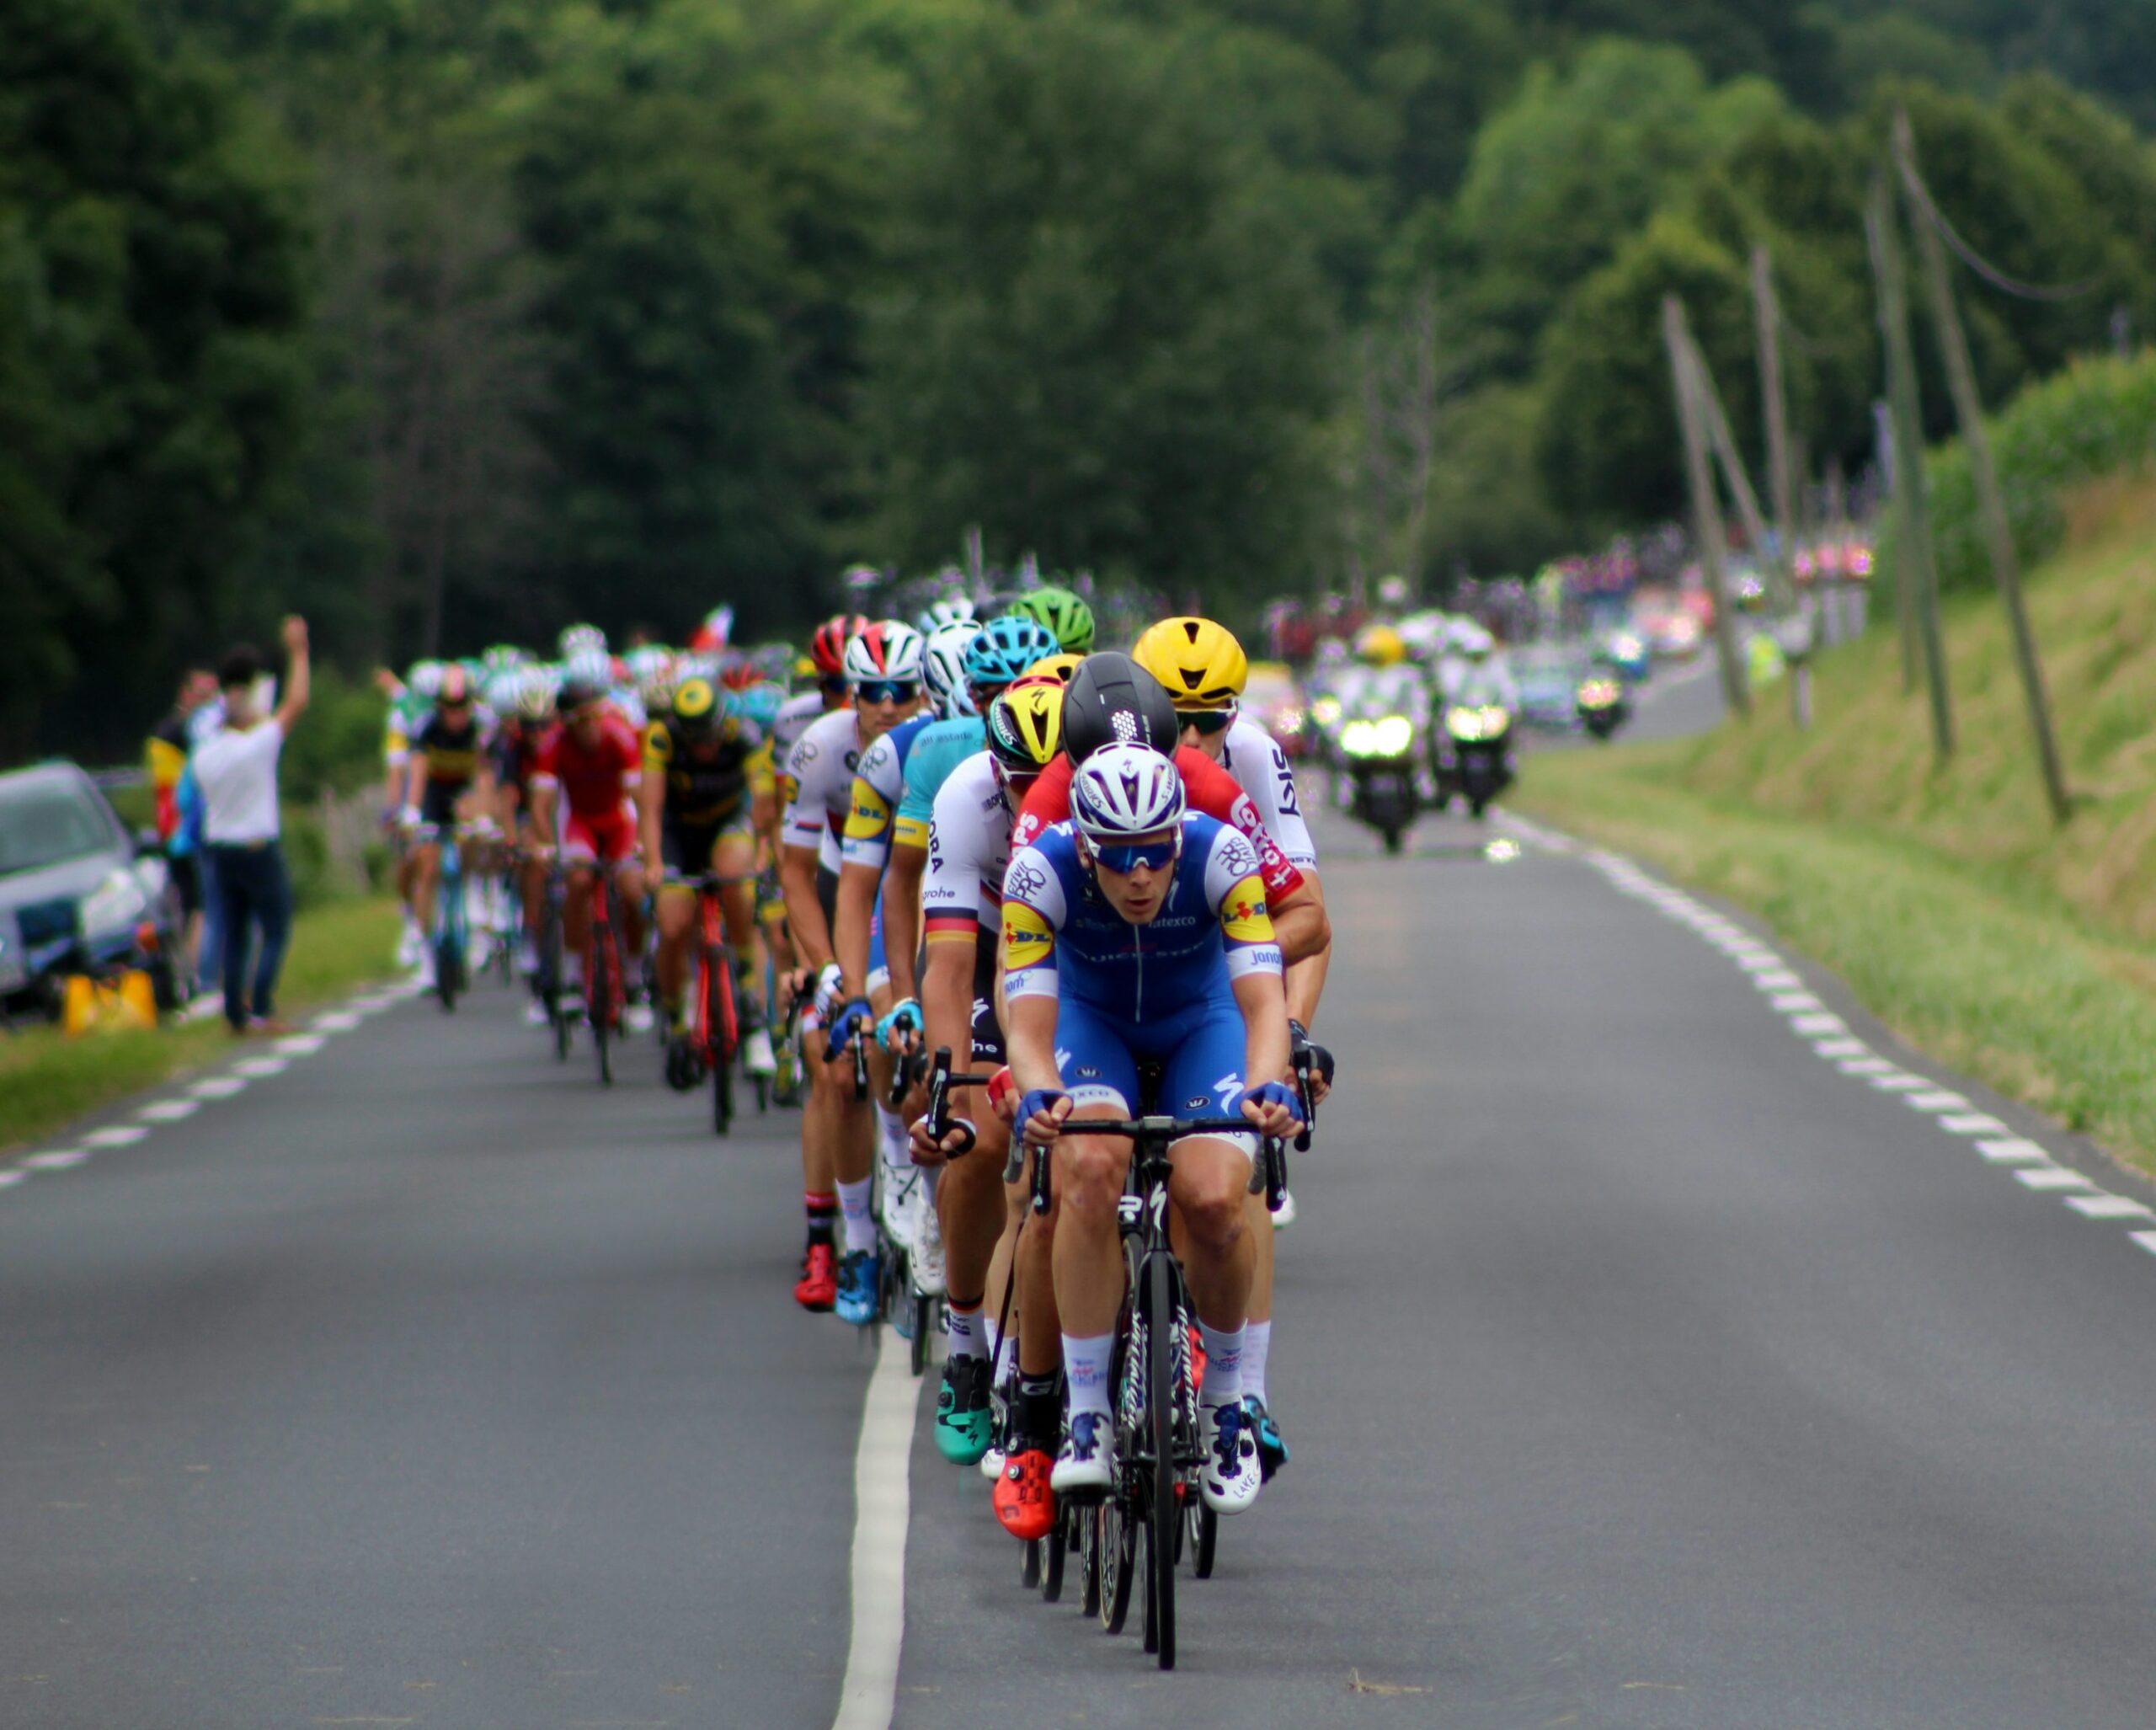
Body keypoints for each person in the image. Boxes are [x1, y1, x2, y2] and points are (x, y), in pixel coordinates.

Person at [1002, 742, 1301, 1521]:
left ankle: (1230, 1397)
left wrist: (1270, 1083)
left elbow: (1264, 1003)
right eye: (1120, 858)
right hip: (1090, 1021)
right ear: (1087, 844)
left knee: (1211, 1202)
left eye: (1154, 854)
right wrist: (1038, 1094)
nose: (1140, 876)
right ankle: (1088, 1417)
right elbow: (1028, 1029)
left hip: (1202, 1021)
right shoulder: (1040, 870)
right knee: (1091, 1172)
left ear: (1178, 834)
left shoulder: (1221, 853)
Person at [1133, 616, 1334, 1479]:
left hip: (1225, 968)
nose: (1194, 736)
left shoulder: (1251, 758)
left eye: (1211, 715)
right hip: (1122, 979)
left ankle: (1242, 1389)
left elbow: (1312, 922)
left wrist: (1284, 1032)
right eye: (1176, 716)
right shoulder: (1112, 767)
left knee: (1238, 1161)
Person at [778, 620, 926, 1317]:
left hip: (917, 902)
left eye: (904, 691)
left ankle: (915, 1173)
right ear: (849, 694)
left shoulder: (937, 745)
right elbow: (797, 875)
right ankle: (859, 1246)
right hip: (845, 898)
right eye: (872, 692)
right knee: (837, 1066)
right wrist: (826, 968)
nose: (888, 706)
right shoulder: (820, 749)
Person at [641, 674, 778, 1078]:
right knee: (672, 924)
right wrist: (652, 862)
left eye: (710, 736)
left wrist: (765, 852)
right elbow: (649, 809)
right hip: (678, 834)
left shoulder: (744, 733)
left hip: (726, 826)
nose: (703, 747)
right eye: (694, 739)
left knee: (736, 876)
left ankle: (749, 987)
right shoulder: (661, 737)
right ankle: (676, 1014)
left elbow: (764, 804)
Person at [191, 617, 311, 1035]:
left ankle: (234, 1014)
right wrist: (299, 651)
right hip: (257, 845)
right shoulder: (256, 746)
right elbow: (296, 702)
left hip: (220, 847)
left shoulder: (205, 754)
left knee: (235, 933)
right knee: (276, 927)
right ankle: (261, 1006)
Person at [526, 680, 651, 1028]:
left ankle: (635, 976)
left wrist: (643, 841)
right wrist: (545, 843)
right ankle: (570, 973)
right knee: (577, 880)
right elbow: (541, 803)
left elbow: (639, 797)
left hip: (618, 823)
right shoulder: (554, 745)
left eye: (595, 717)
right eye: (582, 720)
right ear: (567, 723)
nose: (591, 726)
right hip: (581, 822)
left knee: (631, 888)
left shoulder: (619, 736)